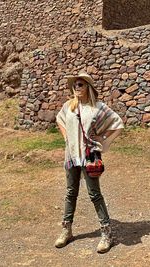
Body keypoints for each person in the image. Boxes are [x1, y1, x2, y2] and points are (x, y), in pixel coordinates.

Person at [55, 70, 124, 253]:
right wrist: (66, 139)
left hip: (89, 156)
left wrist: (104, 141)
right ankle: (66, 230)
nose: (76, 88)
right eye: (75, 85)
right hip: (71, 156)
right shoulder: (69, 106)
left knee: (94, 194)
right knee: (71, 192)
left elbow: (116, 123)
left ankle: (106, 233)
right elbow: (60, 120)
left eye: (80, 84)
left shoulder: (97, 108)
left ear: (88, 87)